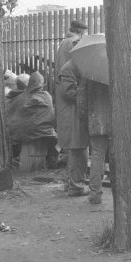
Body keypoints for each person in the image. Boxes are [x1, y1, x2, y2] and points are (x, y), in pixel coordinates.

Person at [56, 59, 89, 197]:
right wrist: (86, 90)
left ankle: (72, 183)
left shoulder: (72, 67)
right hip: (72, 116)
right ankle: (76, 186)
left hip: (73, 115)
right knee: (78, 149)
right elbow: (69, 93)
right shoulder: (69, 68)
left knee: (77, 149)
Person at [85, 79, 110, 204]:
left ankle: (95, 194)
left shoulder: (89, 75)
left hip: (95, 120)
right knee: (118, 155)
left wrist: (85, 118)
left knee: (96, 155)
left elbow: (81, 100)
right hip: (114, 120)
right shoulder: (116, 71)